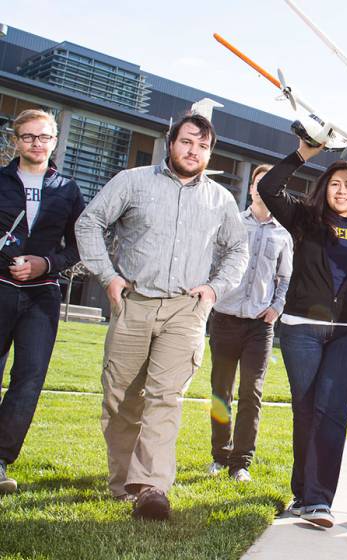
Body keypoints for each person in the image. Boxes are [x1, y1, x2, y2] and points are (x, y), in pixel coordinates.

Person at [75, 113, 248, 520]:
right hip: (133, 302)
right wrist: (108, 276)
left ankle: (152, 487)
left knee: (166, 398)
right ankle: (123, 483)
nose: (194, 151)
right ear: (171, 142)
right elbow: (90, 222)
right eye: (187, 142)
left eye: (203, 146)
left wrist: (214, 289)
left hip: (185, 311)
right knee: (120, 400)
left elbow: (238, 250)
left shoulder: (221, 199)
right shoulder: (132, 181)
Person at [257, 138, 347, 528]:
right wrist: (303, 153)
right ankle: (302, 493)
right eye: (336, 183)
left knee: (331, 412)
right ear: (324, 187)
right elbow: (268, 188)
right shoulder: (304, 219)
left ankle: (318, 500)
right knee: (306, 410)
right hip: (302, 327)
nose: (343, 191)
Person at [0, 109, 84, 494]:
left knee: (29, 378)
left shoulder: (68, 189)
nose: (37, 144)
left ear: (54, 142)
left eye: (44, 137)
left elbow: (78, 245)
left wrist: (44, 264)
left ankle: (0, 460)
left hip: (42, 296)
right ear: (16, 140)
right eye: (29, 137)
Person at [207, 164, 293, 483]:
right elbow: (214, 263)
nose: (265, 188)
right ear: (252, 188)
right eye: (260, 183)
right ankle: (220, 455)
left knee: (251, 392)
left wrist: (276, 308)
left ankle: (241, 462)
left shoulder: (284, 233)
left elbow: (285, 278)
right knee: (221, 391)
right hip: (225, 318)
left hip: (260, 326)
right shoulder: (231, 223)